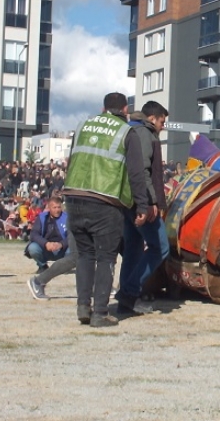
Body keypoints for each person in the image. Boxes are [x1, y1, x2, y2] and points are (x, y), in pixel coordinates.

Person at [62, 92, 149, 328]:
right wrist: (142, 205)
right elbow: (136, 173)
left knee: (85, 255)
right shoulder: (126, 132)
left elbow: (72, 160)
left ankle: (83, 306)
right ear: (125, 109)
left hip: (74, 196)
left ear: (103, 108)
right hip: (105, 200)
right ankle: (100, 313)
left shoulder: (83, 126)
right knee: (106, 257)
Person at [117, 101, 170, 313]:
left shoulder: (130, 130)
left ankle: (126, 301)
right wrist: (151, 202)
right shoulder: (145, 134)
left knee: (132, 248)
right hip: (141, 200)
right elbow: (144, 171)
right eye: (162, 121)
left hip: (127, 200)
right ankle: (129, 291)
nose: (163, 126)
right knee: (160, 247)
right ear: (152, 119)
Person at [25, 196, 76, 299]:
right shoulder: (42, 217)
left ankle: (63, 267)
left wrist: (61, 244)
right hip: (46, 249)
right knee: (33, 248)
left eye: (59, 207)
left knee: (74, 250)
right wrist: (46, 244)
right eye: (54, 207)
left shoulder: (67, 218)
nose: (57, 210)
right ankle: (43, 266)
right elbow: (34, 234)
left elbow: (72, 236)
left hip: (62, 249)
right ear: (49, 207)